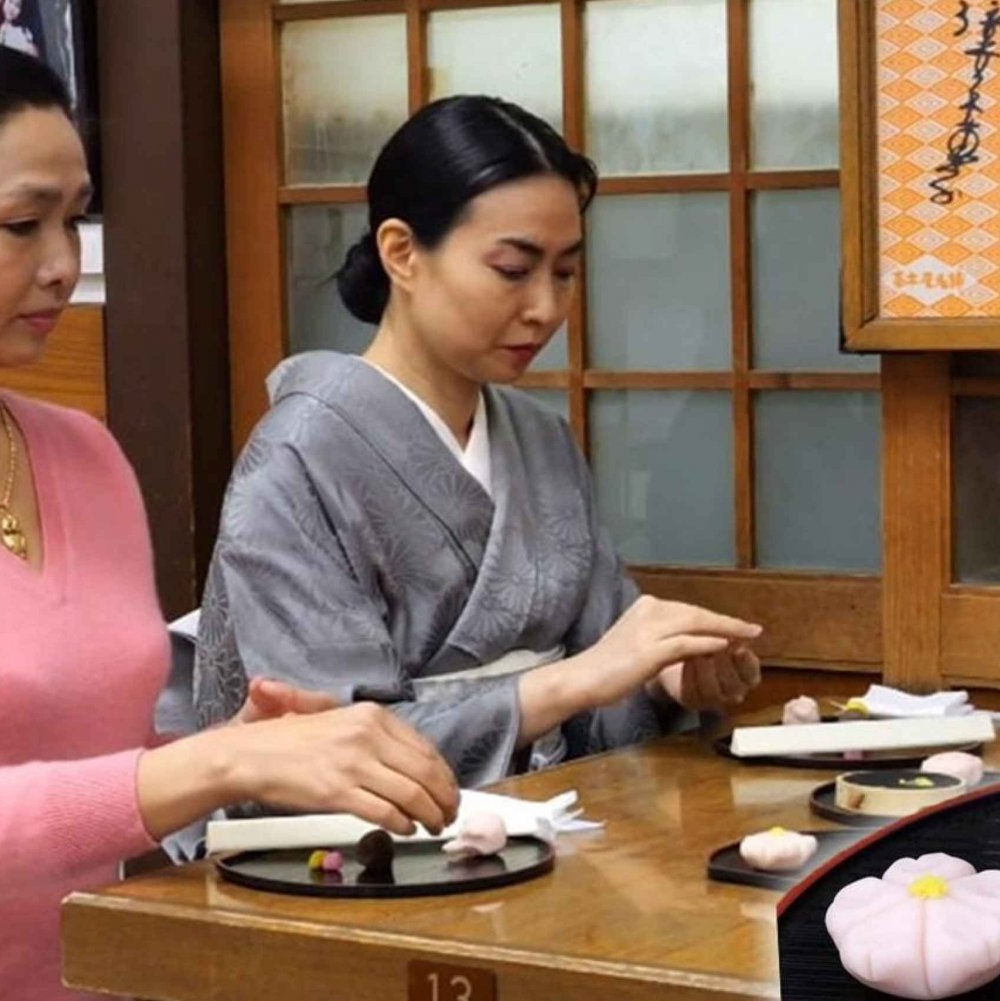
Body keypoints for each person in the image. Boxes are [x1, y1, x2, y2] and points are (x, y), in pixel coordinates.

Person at [0, 46, 461, 1001]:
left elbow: (94, 772)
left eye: (74, 219)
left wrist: (243, 746)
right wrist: (213, 762)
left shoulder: (86, 457)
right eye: (19, 224)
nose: (62, 264)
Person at [192, 96, 763, 789]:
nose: (547, 308)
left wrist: (668, 677)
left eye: (566, 272)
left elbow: (605, 664)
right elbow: (317, 738)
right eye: (513, 270)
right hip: (374, 864)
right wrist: (566, 684)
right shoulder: (299, 456)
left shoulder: (539, 437)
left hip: (555, 829)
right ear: (401, 252)